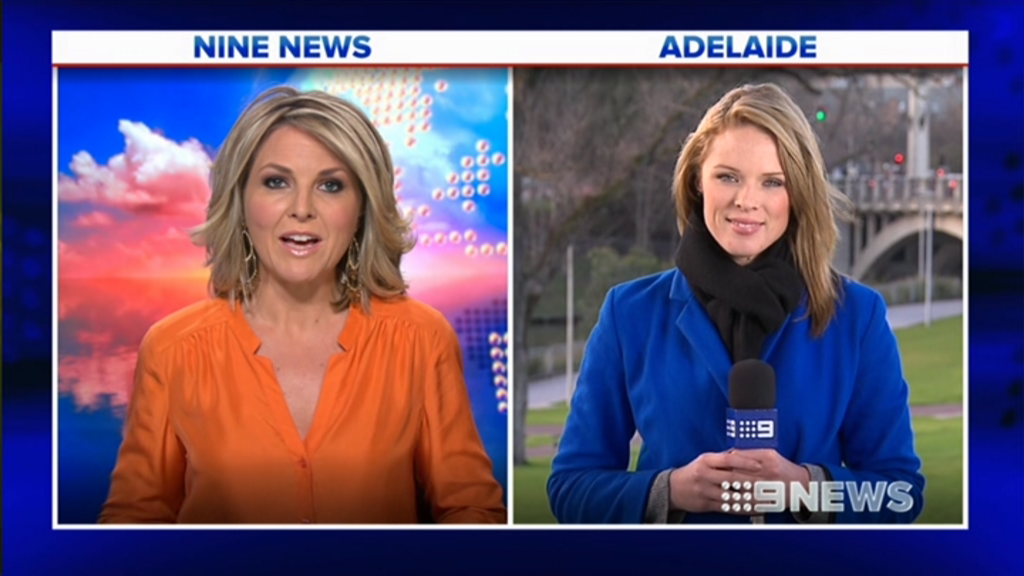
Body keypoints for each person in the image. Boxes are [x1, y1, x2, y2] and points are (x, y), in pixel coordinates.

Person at [99, 86, 507, 524]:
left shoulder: (421, 339)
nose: (302, 209)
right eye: (277, 182)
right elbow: (133, 522)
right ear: (240, 199)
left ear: (362, 208)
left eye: (331, 186)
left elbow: (472, 509)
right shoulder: (172, 349)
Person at [546, 83, 925, 524]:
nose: (746, 201)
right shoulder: (630, 313)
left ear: (798, 193)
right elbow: (570, 489)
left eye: (773, 182)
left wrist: (804, 488)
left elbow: (900, 493)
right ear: (697, 180)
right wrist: (671, 491)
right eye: (727, 177)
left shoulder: (857, 317)